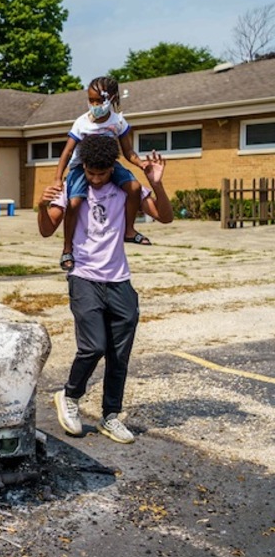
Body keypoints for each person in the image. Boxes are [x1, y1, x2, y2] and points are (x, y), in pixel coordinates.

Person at [38, 133, 173, 444]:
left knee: (118, 354)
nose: (96, 179)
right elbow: (47, 230)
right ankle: (70, 396)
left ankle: (110, 416)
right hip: (83, 276)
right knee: (93, 346)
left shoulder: (126, 189)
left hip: (119, 280)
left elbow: (164, 217)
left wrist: (158, 183)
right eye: (90, 172)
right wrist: (42, 206)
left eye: (102, 173)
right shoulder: (74, 186)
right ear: (83, 166)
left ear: (113, 166)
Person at [53, 76, 150, 272]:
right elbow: (68, 152)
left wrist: (141, 163)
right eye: (91, 100)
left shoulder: (118, 122)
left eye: (99, 101)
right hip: (82, 166)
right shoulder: (82, 123)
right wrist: (57, 178)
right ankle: (67, 248)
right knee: (74, 203)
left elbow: (128, 152)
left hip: (108, 165)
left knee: (135, 188)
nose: (95, 105)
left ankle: (129, 230)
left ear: (112, 98)